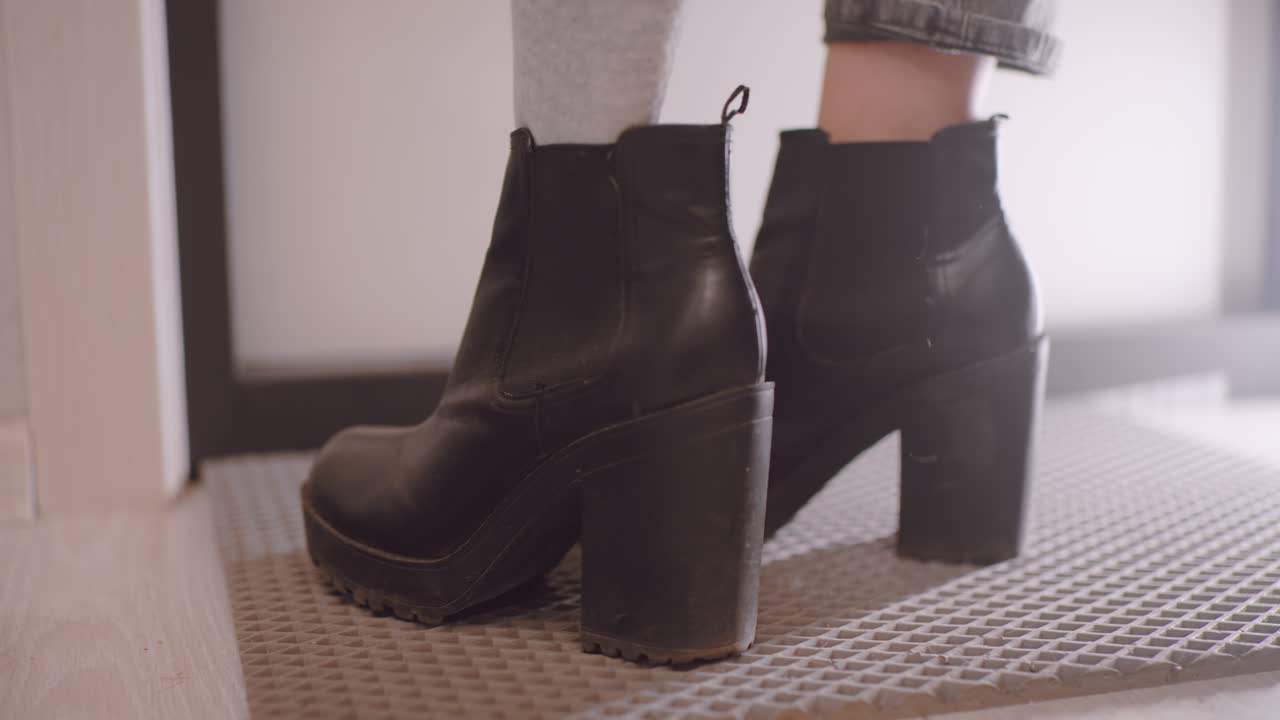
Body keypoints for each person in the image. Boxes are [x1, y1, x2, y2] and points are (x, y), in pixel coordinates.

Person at [301, 0, 1060, 666]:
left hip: (654, 331)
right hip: (968, 290)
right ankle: (930, 286)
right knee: (902, 118)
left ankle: (607, 346)